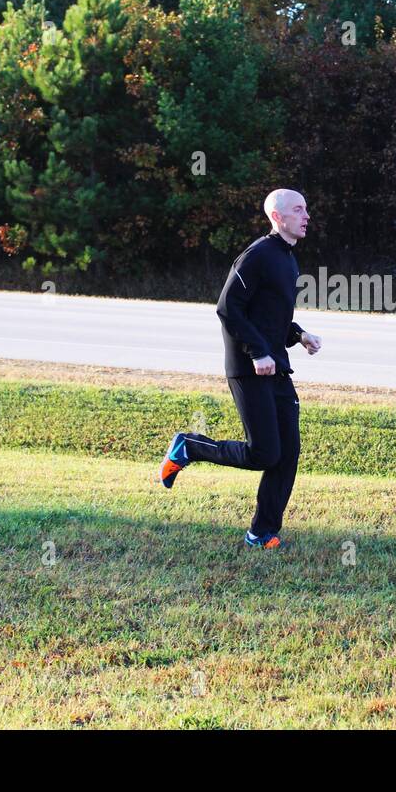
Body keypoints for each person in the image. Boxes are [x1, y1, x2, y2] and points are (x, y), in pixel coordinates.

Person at [157, 189, 322, 549]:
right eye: (298, 210)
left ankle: (261, 532)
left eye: (306, 209)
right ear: (277, 217)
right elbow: (229, 308)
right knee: (263, 453)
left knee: (287, 453)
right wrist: (257, 352)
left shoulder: (287, 259)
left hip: (275, 366)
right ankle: (189, 447)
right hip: (250, 368)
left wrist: (299, 334)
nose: (306, 215)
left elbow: (270, 316)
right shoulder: (257, 255)